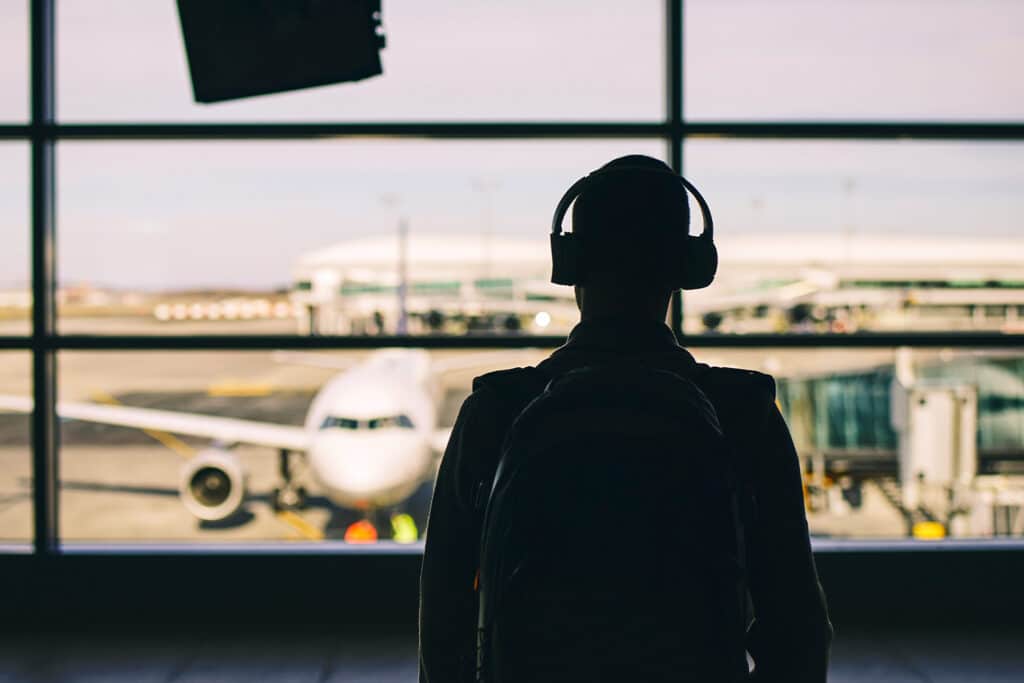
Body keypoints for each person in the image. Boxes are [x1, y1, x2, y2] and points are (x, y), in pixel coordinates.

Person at [418, 154, 832, 682]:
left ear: (568, 262)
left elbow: (444, 626)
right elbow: (797, 624)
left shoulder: (497, 412)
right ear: (688, 268)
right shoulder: (743, 414)